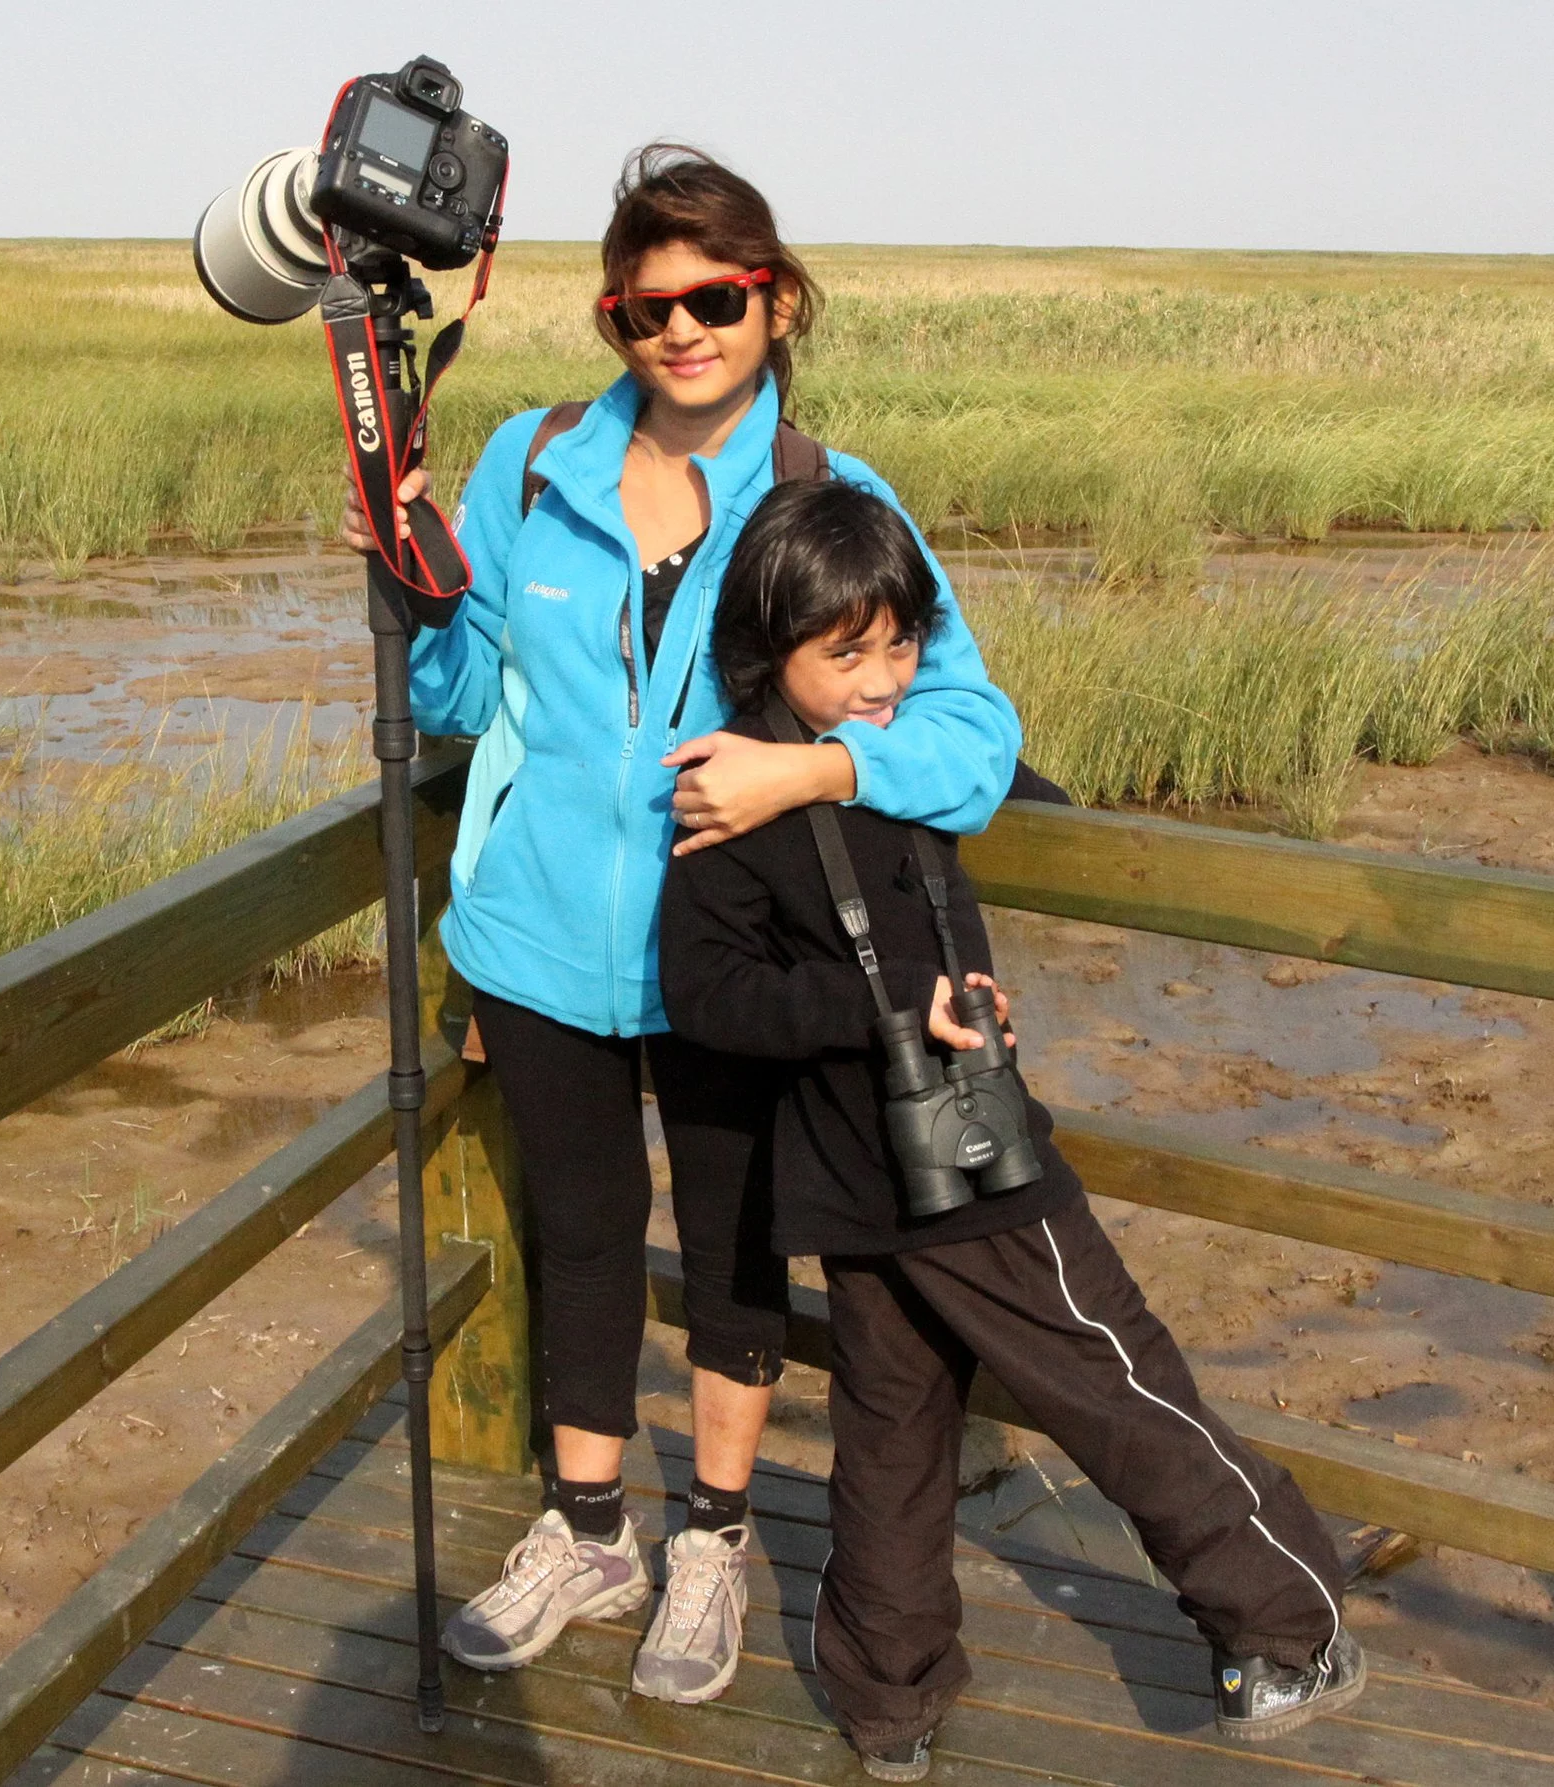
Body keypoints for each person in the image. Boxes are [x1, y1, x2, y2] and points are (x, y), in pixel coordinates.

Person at [341, 145, 1021, 1704]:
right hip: (536, 943)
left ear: (777, 304)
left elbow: (974, 731)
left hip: (735, 961)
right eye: (644, 310)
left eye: (717, 299)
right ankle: (590, 1532)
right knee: (581, 1235)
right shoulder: (533, 462)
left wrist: (812, 765)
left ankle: (711, 1536)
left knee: (731, 1246)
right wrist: (419, 580)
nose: (682, 332)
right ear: (612, 321)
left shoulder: (830, 499)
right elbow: (463, 693)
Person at [658, 477, 1361, 1781]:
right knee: (1110, 1377)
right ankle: (1288, 1620)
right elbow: (706, 996)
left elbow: (1002, 792)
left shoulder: (892, 749)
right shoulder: (728, 795)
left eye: (900, 644)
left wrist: (962, 982)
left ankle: (889, 1701)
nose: (883, 681)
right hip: (958, 1161)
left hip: (870, 1163)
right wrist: (890, 1013)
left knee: (895, 1434)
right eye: (846, 654)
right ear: (769, 646)